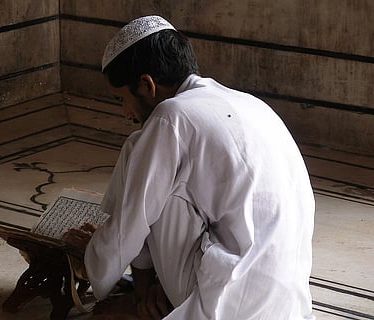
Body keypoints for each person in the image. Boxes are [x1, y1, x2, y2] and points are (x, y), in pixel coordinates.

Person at [64, 15, 316, 319]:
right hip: (285, 304)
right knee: (154, 167)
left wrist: (91, 262)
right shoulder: (248, 104)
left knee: (137, 151)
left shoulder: (171, 115)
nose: (125, 112)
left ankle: (140, 300)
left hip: (227, 304)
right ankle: (146, 292)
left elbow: (130, 226)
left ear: (147, 85)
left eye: (122, 99)